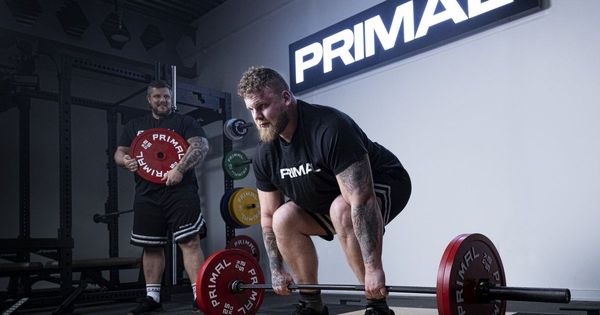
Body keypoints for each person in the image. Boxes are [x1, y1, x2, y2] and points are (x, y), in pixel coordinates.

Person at [237, 67, 411, 315]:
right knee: (283, 218)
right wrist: (276, 270)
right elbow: (267, 217)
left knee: (342, 209)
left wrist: (374, 269)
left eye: (263, 106)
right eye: (251, 110)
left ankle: (376, 304)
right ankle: (311, 304)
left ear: (286, 98)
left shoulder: (330, 127)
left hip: (385, 182)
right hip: (327, 199)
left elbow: (361, 200)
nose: (257, 116)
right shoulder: (265, 153)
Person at [114, 80, 210, 314]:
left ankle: (200, 295)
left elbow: (201, 146)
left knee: (189, 241)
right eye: (157, 97)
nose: (163, 100)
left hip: (181, 192)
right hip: (147, 195)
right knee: (151, 246)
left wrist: (179, 169)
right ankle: (152, 297)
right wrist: (125, 161)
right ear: (149, 100)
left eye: (166, 96)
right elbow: (120, 151)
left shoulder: (184, 122)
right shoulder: (136, 125)